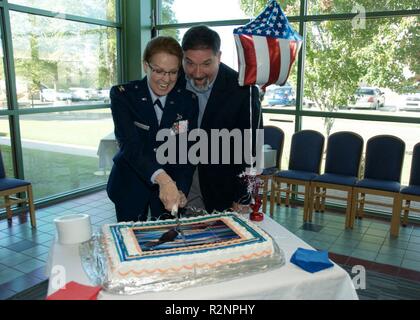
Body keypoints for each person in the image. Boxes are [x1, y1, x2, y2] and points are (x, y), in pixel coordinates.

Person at [107, 36, 198, 222]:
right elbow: (130, 146)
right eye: (159, 71)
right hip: (130, 185)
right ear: (145, 66)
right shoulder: (123, 96)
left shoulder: (187, 101)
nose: (166, 79)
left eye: (173, 72)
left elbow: (185, 151)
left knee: (167, 241)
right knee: (131, 243)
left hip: (170, 190)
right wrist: (163, 179)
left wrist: (180, 189)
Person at [179, 25, 262, 214]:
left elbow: (252, 150)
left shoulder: (244, 91)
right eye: (190, 63)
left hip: (223, 187)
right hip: (181, 184)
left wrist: (243, 197)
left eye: (207, 64)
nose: (197, 72)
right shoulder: (174, 81)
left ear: (219, 56)